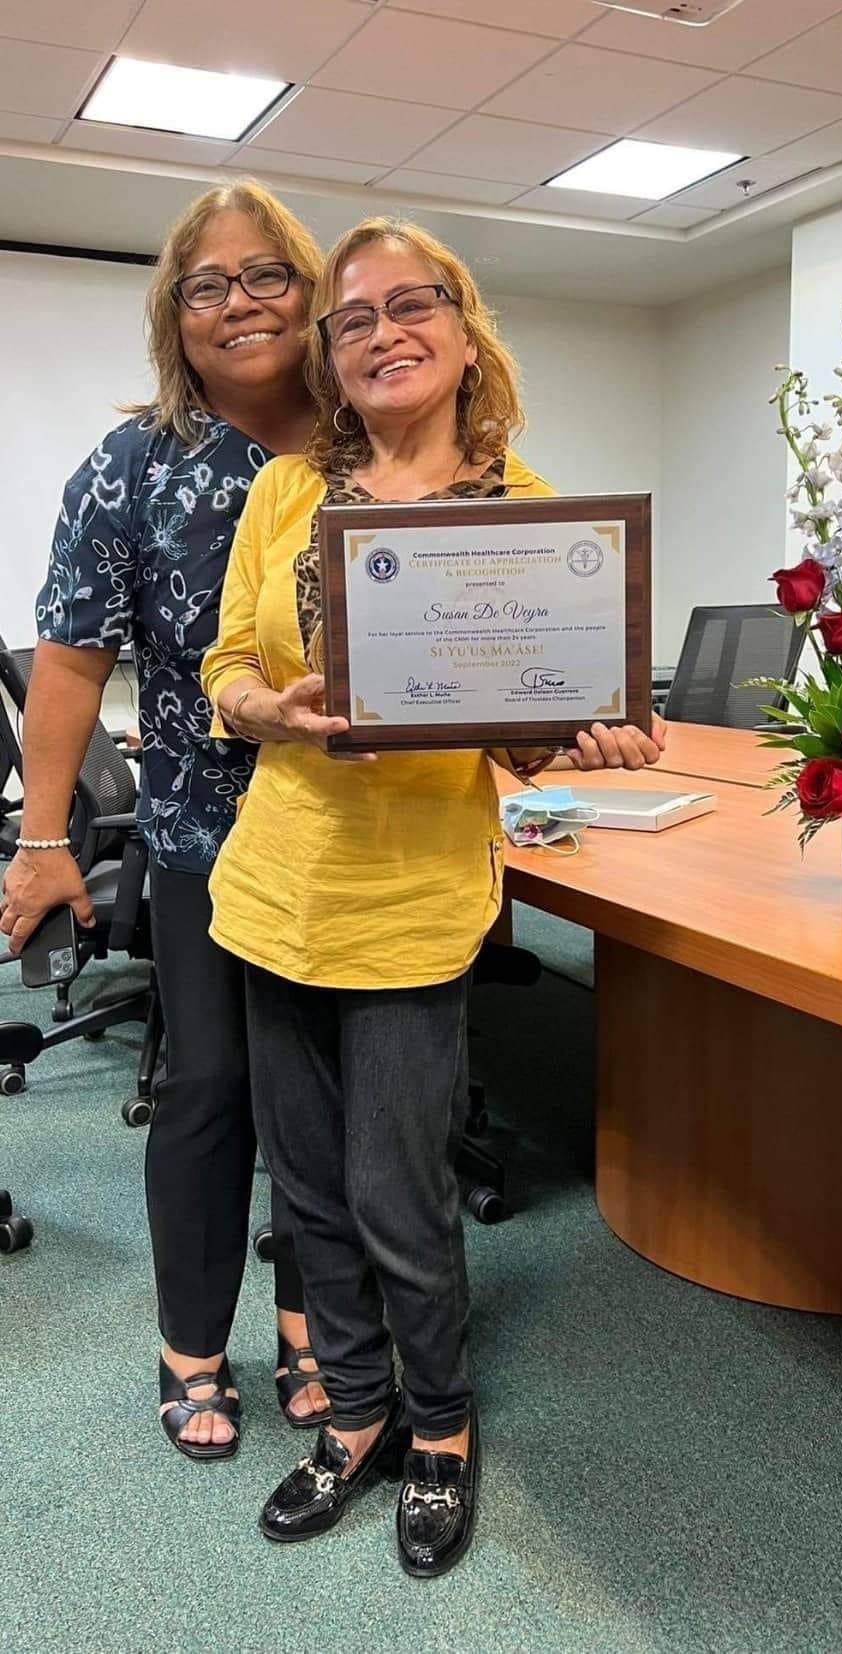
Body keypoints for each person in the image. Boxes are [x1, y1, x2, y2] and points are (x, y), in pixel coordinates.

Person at [201, 215, 666, 1576]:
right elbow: (229, 667)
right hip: (276, 891)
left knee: (396, 1190)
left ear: (466, 332)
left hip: (409, 907)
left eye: (414, 306)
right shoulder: (285, 492)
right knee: (307, 1190)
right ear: (332, 358)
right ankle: (355, 1413)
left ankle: (442, 1426)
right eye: (352, 318)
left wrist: (588, 734)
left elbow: (523, 742)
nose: (383, 332)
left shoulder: (536, 522)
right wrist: (271, 712)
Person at [0, 181, 332, 1459]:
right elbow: (73, 659)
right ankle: (193, 1345)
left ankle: (316, 1323)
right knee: (211, 1086)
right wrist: (41, 840)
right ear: (174, 315)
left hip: (359, 838)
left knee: (333, 1092)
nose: (239, 304)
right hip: (207, 833)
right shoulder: (135, 466)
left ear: (309, 294)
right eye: (208, 285)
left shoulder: (375, 444)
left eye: (267, 277)